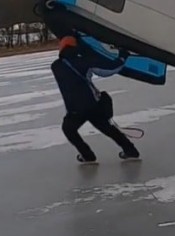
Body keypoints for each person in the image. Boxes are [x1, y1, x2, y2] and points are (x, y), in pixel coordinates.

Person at [50, 33, 140, 164]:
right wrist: (122, 57)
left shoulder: (56, 66)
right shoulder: (85, 61)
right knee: (108, 129)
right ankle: (131, 151)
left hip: (75, 110)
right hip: (92, 105)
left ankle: (88, 156)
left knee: (68, 129)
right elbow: (109, 70)